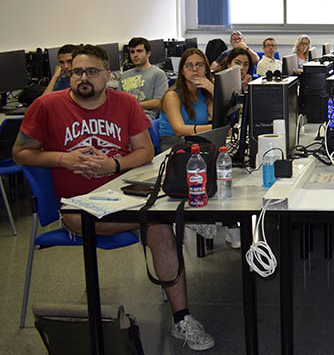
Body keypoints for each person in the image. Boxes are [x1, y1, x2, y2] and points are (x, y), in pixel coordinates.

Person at [12, 44, 215, 351]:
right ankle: (181, 219)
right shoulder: (46, 105)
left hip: (125, 194)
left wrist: (114, 165)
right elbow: (20, 153)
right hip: (78, 207)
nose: (83, 78)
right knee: (159, 220)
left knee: (159, 226)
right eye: (77, 72)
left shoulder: (125, 103)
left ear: (108, 74)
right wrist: (63, 159)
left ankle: (181, 319)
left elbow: (145, 151)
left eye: (92, 71)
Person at [158, 48, 214, 150]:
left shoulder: (204, 91)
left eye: (199, 65)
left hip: (196, 139)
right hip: (174, 143)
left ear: (206, 70)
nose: (194, 69)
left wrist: (214, 91)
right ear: (182, 71)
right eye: (189, 66)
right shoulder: (172, 95)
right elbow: (179, 130)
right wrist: (212, 128)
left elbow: (218, 117)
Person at [118, 37, 169, 121]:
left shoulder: (158, 74)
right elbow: (119, 101)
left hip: (144, 117)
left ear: (148, 53)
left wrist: (133, 105)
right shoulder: (124, 75)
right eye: (132, 52)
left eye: (139, 51)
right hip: (124, 116)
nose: (135, 55)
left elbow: (159, 102)